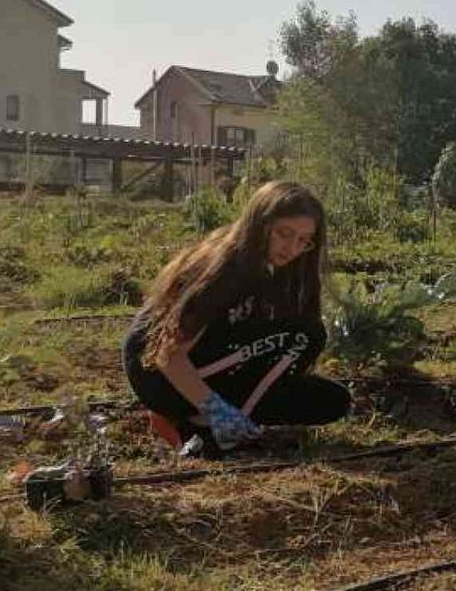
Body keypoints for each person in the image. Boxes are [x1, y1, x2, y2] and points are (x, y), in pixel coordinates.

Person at [123, 181, 351, 457]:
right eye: (284, 233)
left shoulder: (275, 268)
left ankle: (215, 418)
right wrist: (215, 410)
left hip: (206, 366)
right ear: (260, 224)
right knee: (306, 333)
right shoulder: (226, 270)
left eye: (303, 240)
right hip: (160, 376)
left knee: (332, 400)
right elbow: (167, 355)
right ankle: (203, 427)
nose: (292, 248)